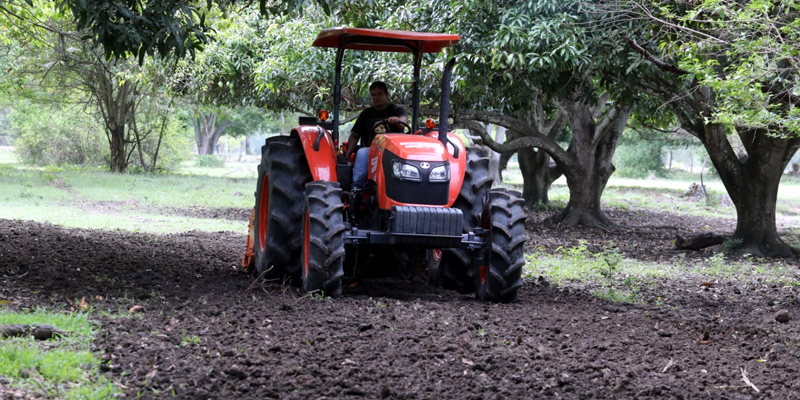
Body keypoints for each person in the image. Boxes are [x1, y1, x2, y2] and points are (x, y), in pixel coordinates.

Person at [345, 81, 408, 191]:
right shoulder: (366, 114)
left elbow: (403, 122)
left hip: (394, 151)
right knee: (362, 152)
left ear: (386, 94)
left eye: (379, 94)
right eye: (373, 95)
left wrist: (397, 120)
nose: (376, 97)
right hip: (373, 150)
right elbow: (355, 136)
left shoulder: (397, 110)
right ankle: (356, 189)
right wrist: (346, 156)